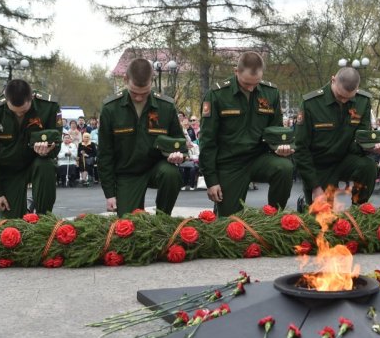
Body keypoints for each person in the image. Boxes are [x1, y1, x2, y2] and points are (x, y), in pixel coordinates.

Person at [198, 51, 293, 215]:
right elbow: (208, 141)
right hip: (229, 163)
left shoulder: (270, 93)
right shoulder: (217, 95)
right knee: (229, 223)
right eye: (246, 83)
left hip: (259, 158)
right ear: (236, 72)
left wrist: (280, 148)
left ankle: (275, 217)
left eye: (255, 83)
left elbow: (275, 131)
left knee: (284, 168)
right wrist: (211, 180)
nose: (251, 87)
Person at [97, 58, 184, 215]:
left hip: (156, 169)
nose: (138, 98)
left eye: (144, 93)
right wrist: (109, 193)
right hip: (126, 174)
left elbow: (180, 142)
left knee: (171, 173)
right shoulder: (111, 109)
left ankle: (162, 219)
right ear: (125, 80)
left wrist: (179, 155)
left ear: (152, 81)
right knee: (128, 227)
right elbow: (104, 154)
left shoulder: (166, 106)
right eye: (134, 92)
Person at [295, 66, 380, 204]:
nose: (344, 101)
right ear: (333, 80)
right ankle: (306, 204)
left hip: (346, 160)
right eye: (340, 96)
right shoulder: (311, 104)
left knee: (368, 166)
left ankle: (359, 210)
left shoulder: (363, 101)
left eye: (349, 98)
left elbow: (361, 138)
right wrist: (315, 186)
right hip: (320, 166)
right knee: (322, 219)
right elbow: (301, 148)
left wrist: (371, 147)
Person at [0, 79, 61, 218]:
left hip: (36, 163)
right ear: (6, 100)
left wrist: (49, 150)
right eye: (15, 112)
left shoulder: (48, 107)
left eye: (23, 111)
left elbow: (57, 142)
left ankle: (44, 218)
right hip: (9, 169)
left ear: (31, 99)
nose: (19, 114)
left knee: (46, 165)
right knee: (12, 226)